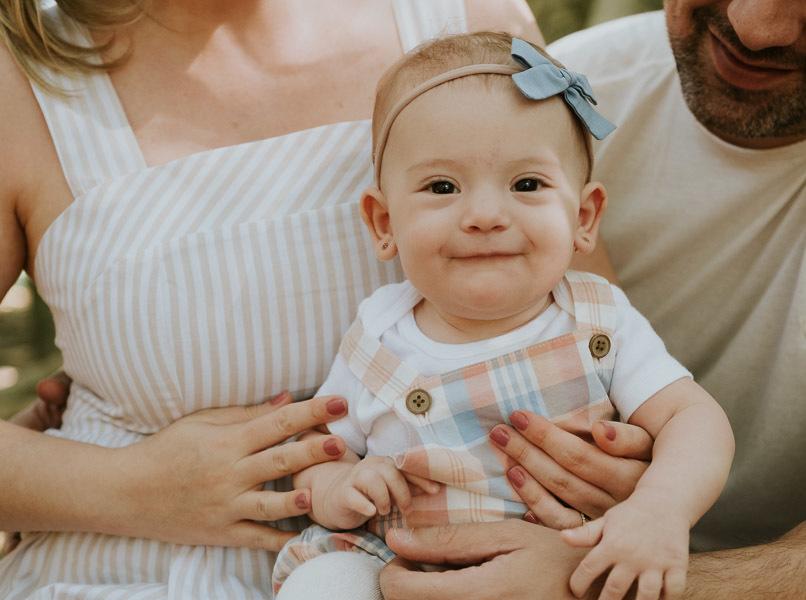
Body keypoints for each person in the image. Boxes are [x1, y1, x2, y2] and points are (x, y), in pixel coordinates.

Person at [0, 1, 552, 597]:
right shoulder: (22, 82)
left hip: (459, 568)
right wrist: (129, 486)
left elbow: (583, 321)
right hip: (136, 576)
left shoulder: (469, 18)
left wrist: (618, 478)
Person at [378, 1, 806, 599]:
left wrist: (602, 580)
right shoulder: (530, 107)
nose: (755, 27)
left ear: (586, 214)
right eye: (445, 188)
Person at [272, 32, 734, 600]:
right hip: (394, 564)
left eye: (527, 184)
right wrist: (340, 484)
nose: (486, 214)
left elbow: (695, 420)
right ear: (384, 224)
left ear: (584, 216)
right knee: (323, 586)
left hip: (557, 567)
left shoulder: (597, 323)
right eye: (442, 186)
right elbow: (322, 451)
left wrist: (659, 509)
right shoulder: (378, 337)